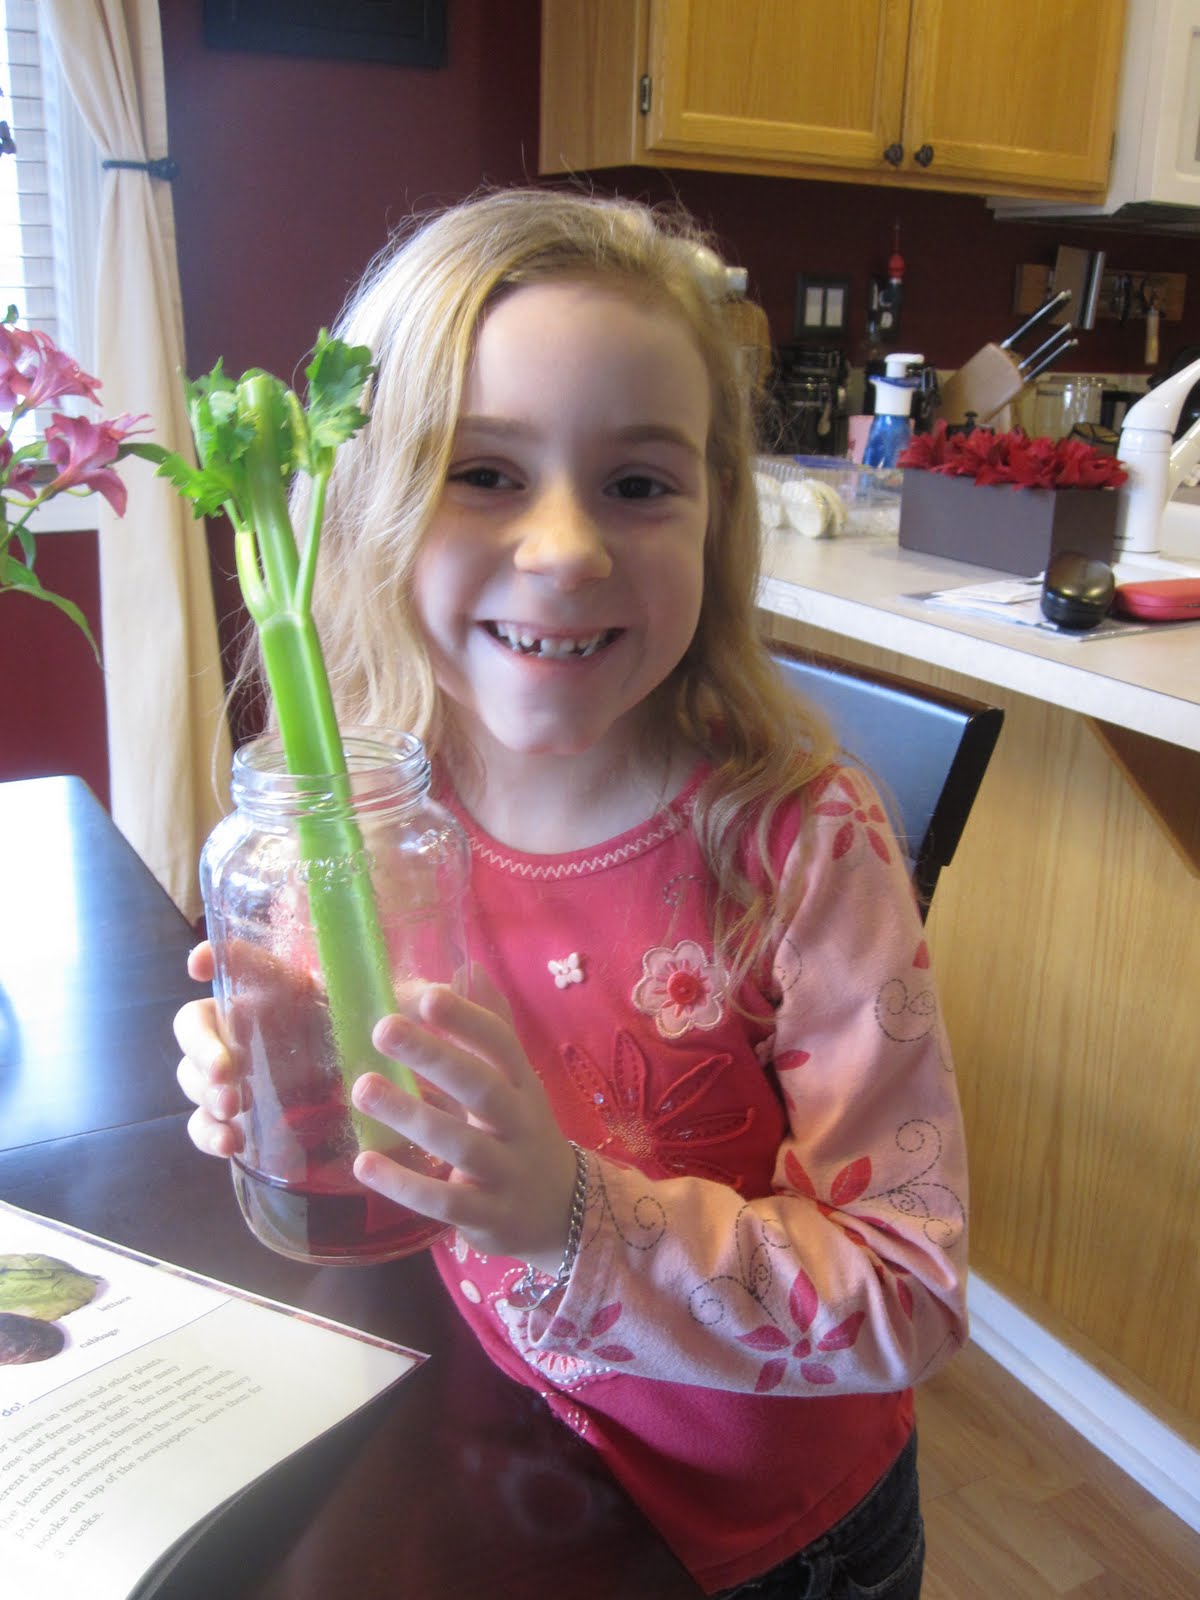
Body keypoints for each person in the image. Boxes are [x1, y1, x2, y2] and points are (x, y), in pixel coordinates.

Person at [175, 187, 968, 1599]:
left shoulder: (799, 844)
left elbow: (906, 1292)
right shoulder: (366, 816)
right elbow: (368, 1092)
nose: (564, 549)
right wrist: (266, 1073)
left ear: (716, 521)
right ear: (368, 502)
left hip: (776, 1539)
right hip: (511, 1445)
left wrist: (571, 1216)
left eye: (639, 484)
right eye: (483, 472)